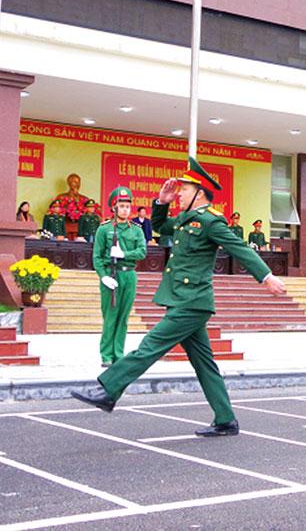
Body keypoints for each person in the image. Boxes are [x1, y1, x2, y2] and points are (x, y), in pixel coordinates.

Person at [71, 157, 287, 436]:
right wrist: (160, 201)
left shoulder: (211, 222)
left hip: (192, 301)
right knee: (204, 363)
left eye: (183, 190)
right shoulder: (187, 219)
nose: (179, 194)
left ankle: (109, 389)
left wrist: (266, 276)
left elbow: (240, 248)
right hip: (183, 298)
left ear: (199, 193)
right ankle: (225, 419)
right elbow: (161, 226)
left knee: (151, 345)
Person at [93, 187, 147, 366]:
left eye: (127, 206)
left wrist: (124, 253)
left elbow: (142, 252)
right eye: (121, 206)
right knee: (110, 316)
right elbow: (97, 256)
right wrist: (103, 276)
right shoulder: (104, 229)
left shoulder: (137, 230)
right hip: (111, 274)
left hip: (129, 275)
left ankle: (118, 353)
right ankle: (106, 355)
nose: (125, 209)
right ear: (114, 208)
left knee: (123, 317)